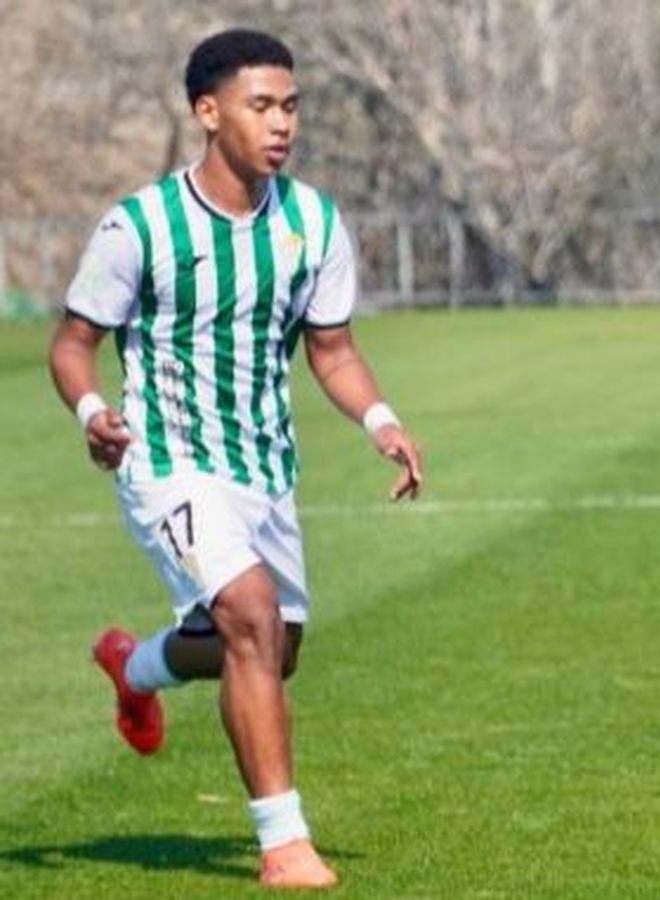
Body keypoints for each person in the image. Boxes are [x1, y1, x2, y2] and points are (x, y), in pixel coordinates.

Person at [48, 29, 423, 890]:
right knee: (250, 618)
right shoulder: (140, 225)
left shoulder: (313, 221)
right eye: (262, 106)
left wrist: (381, 421)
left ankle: (135, 667)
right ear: (208, 114)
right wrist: (97, 411)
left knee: (272, 647)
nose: (281, 123)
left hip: (262, 466)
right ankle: (283, 842)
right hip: (167, 460)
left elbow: (331, 349)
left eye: (291, 106)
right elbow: (73, 343)